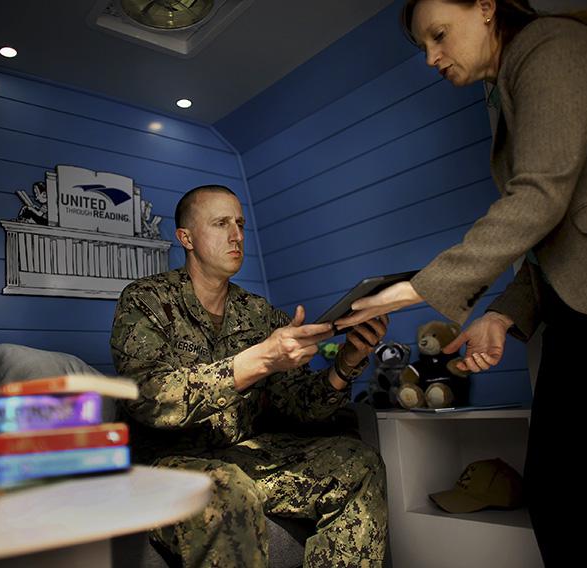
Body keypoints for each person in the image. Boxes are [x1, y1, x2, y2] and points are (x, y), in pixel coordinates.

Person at [334, 1, 587, 567]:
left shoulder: (548, 45)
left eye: (438, 36)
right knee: (560, 492)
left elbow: (539, 197)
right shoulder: (515, 87)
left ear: (485, 8)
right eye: (424, 47)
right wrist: (502, 315)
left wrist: (414, 290)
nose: (433, 58)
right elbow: (563, 233)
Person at [110, 184, 390, 568]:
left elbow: (302, 407)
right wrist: (258, 360)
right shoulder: (146, 300)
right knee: (227, 492)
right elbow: (148, 397)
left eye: (240, 223)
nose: (237, 235)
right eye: (221, 223)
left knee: (358, 463)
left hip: (240, 456)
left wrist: (346, 361)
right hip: (166, 466)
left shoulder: (259, 313)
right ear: (186, 238)